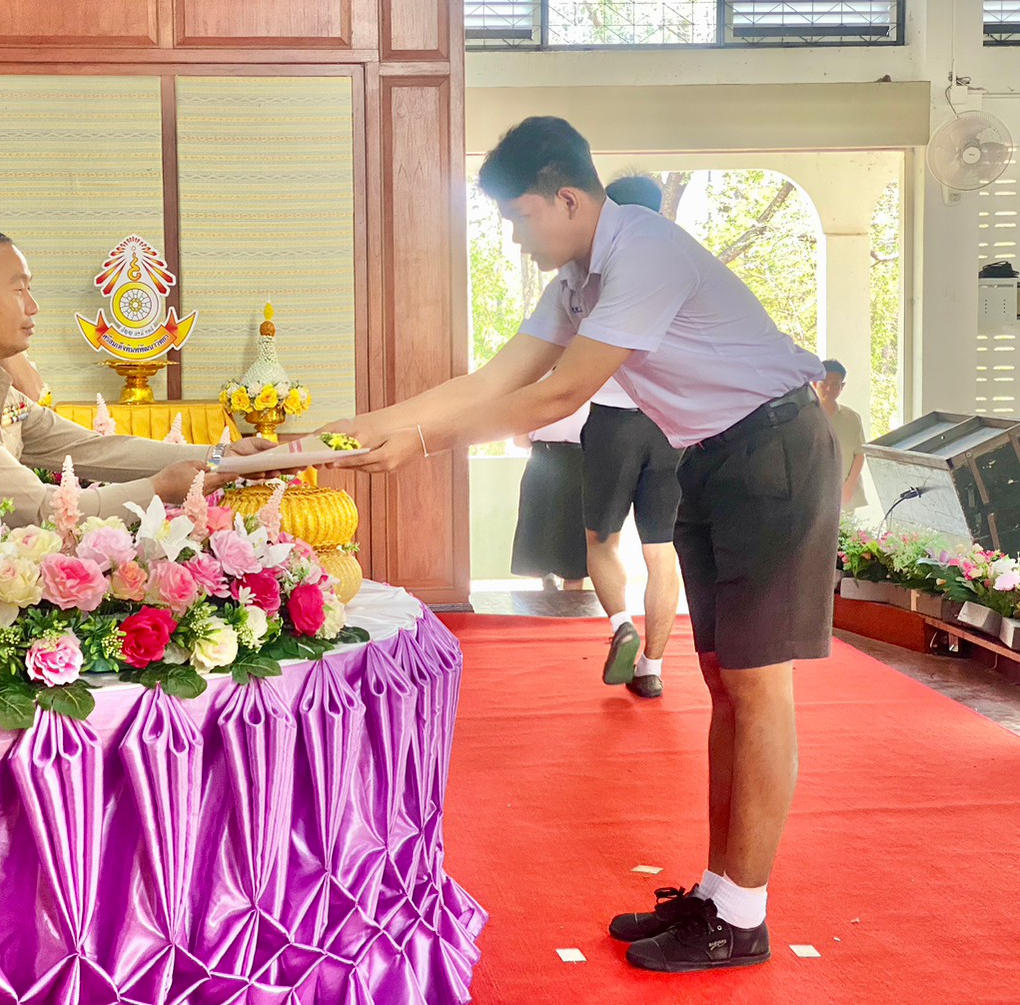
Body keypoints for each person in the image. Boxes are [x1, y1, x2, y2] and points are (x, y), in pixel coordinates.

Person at [329, 117, 837, 973]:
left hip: (773, 448)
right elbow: (492, 379)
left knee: (756, 689)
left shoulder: (642, 252)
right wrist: (354, 430)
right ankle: (720, 892)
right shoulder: (578, 279)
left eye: (519, 217)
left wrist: (417, 445)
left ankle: (742, 918)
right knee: (725, 682)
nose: (514, 237)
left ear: (566, 198)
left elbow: (556, 393)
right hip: (712, 454)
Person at [0, 222, 272, 533]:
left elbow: (92, 450)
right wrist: (160, 489)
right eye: (19, 290)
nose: (33, 306)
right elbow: (38, 509)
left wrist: (220, 457)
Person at [586, 174, 683, 700]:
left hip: (613, 419)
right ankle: (652, 668)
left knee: (601, 540)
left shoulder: (598, 271)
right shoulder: (681, 268)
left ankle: (621, 624)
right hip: (669, 425)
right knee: (661, 549)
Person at [510, 399, 589, 591]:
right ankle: (554, 583)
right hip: (548, 460)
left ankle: (561, 586)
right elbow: (519, 440)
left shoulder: (536, 393)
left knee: (572, 527)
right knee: (552, 526)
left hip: (561, 459)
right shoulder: (587, 390)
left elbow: (521, 440)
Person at [813, 359, 868, 513]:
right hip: (813, 496)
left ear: (842, 387)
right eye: (824, 383)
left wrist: (849, 486)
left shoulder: (852, 418)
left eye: (835, 384)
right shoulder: (805, 417)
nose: (829, 388)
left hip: (845, 495)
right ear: (815, 384)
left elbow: (860, 453)